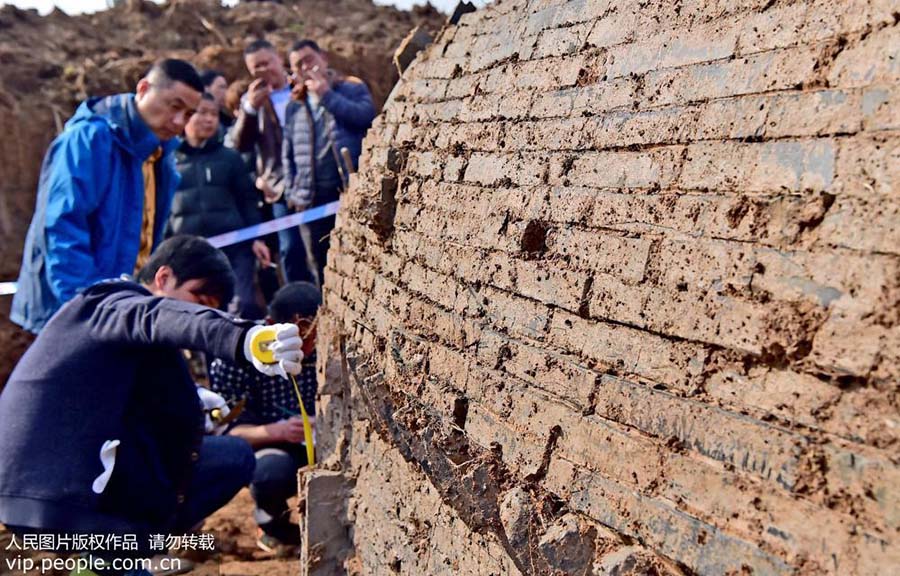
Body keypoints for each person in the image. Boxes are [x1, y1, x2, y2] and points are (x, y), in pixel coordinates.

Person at [0, 236, 305, 572]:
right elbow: (160, 315)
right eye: (197, 300)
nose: (196, 312)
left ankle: (115, 559)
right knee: (226, 457)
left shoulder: (125, 341)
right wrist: (243, 338)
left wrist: (193, 407)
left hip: (45, 494)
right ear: (163, 277)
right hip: (53, 495)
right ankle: (113, 560)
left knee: (229, 457)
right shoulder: (112, 304)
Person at [11, 59, 205, 334]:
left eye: (188, 114)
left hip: (118, 308)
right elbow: (62, 230)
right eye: (174, 106)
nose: (178, 122)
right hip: (73, 313)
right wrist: (87, 311)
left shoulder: (162, 157)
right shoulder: (88, 139)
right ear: (143, 89)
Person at [208, 282, 320, 552]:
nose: (305, 348)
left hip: (320, 439)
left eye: (312, 338)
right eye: (299, 338)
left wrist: (320, 421)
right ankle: (272, 524)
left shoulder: (325, 350)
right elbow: (226, 431)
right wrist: (278, 431)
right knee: (269, 473)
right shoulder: (236, 360)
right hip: (267, 445)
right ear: (271, 325)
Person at [167, 92, 271, 319]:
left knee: (243, 305)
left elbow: (247, 200)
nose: (209, 119)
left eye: (214, 114)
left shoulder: (230, 158)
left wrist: (257, 237)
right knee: (200, 312)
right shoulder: (169, 160)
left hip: (235, 248)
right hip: (190, 253)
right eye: (202, 113)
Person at [283, 39, 377, 286]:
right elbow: (288, 154)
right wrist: (292, 192)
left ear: (323, 58)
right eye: (298, 65)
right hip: (311, 199)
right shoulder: (294, 105)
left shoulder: (351, 88)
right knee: (320, 263)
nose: (305, 67)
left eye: (309, 59)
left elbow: (366, 117)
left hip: (347, 189)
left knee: (360, 256)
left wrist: (326, 94)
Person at [229, 39, 314, 285]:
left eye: (267, 62)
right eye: (256, 67)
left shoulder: (303, 86)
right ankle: (299, 300)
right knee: (290, 248)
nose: (263, 70)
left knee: (319, 244)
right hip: (279, 186)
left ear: (279, 58)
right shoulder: (252, 101)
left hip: (312, 178)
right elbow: (240, 144)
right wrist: (250, 109)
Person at [199, 69, 234, 140]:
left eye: (226, 88)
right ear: (206, 89)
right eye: (221, 87)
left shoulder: (228, 122)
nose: (226, 92)